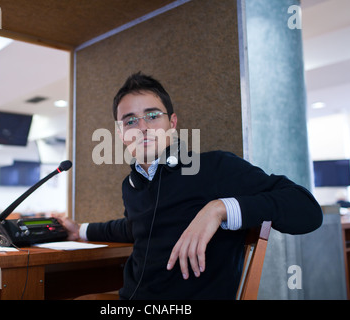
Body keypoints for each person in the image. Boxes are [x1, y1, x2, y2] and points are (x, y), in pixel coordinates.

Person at [59, 72, 323, 299]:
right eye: (130, 120)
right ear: (120, 134)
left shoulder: (214, 167)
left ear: (172, 124)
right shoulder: (132, 184)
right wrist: (79, 230)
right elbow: (133, 227)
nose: (142, 128)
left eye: (152, 116)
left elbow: (307, 209)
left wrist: (218, 208)